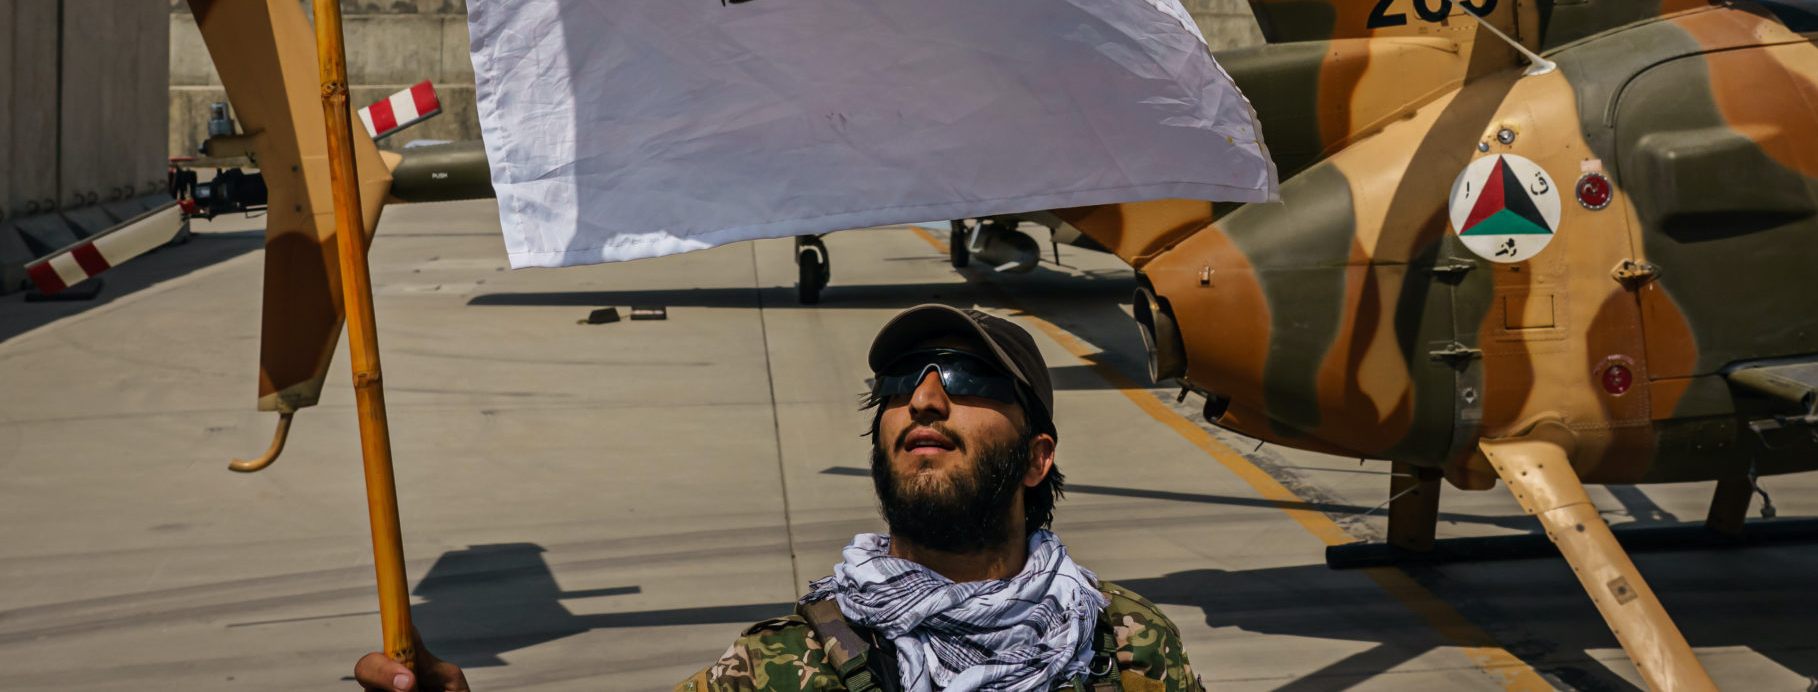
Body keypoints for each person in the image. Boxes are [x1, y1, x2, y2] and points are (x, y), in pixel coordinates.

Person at [353, 303, 1204, 692]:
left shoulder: (1122, 647)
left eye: (969, 377)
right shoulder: (782, 669)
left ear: (1035, 457)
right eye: (902, 381)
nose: (926, 398)